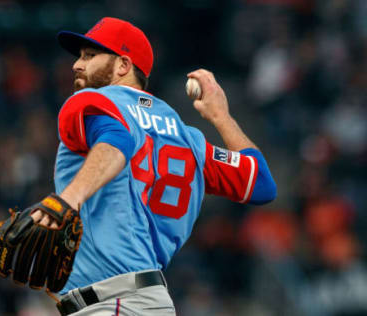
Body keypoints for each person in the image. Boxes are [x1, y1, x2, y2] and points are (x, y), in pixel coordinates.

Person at [32, 17, 276, 315]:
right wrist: (221, 117)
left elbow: (117, 140)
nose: (76, 65)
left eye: (89, 56)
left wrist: (67, 199)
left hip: (114, 303)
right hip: (145, 299)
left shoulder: (92, 101)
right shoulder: (189, 139)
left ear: (123, 65)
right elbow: (261, 183)